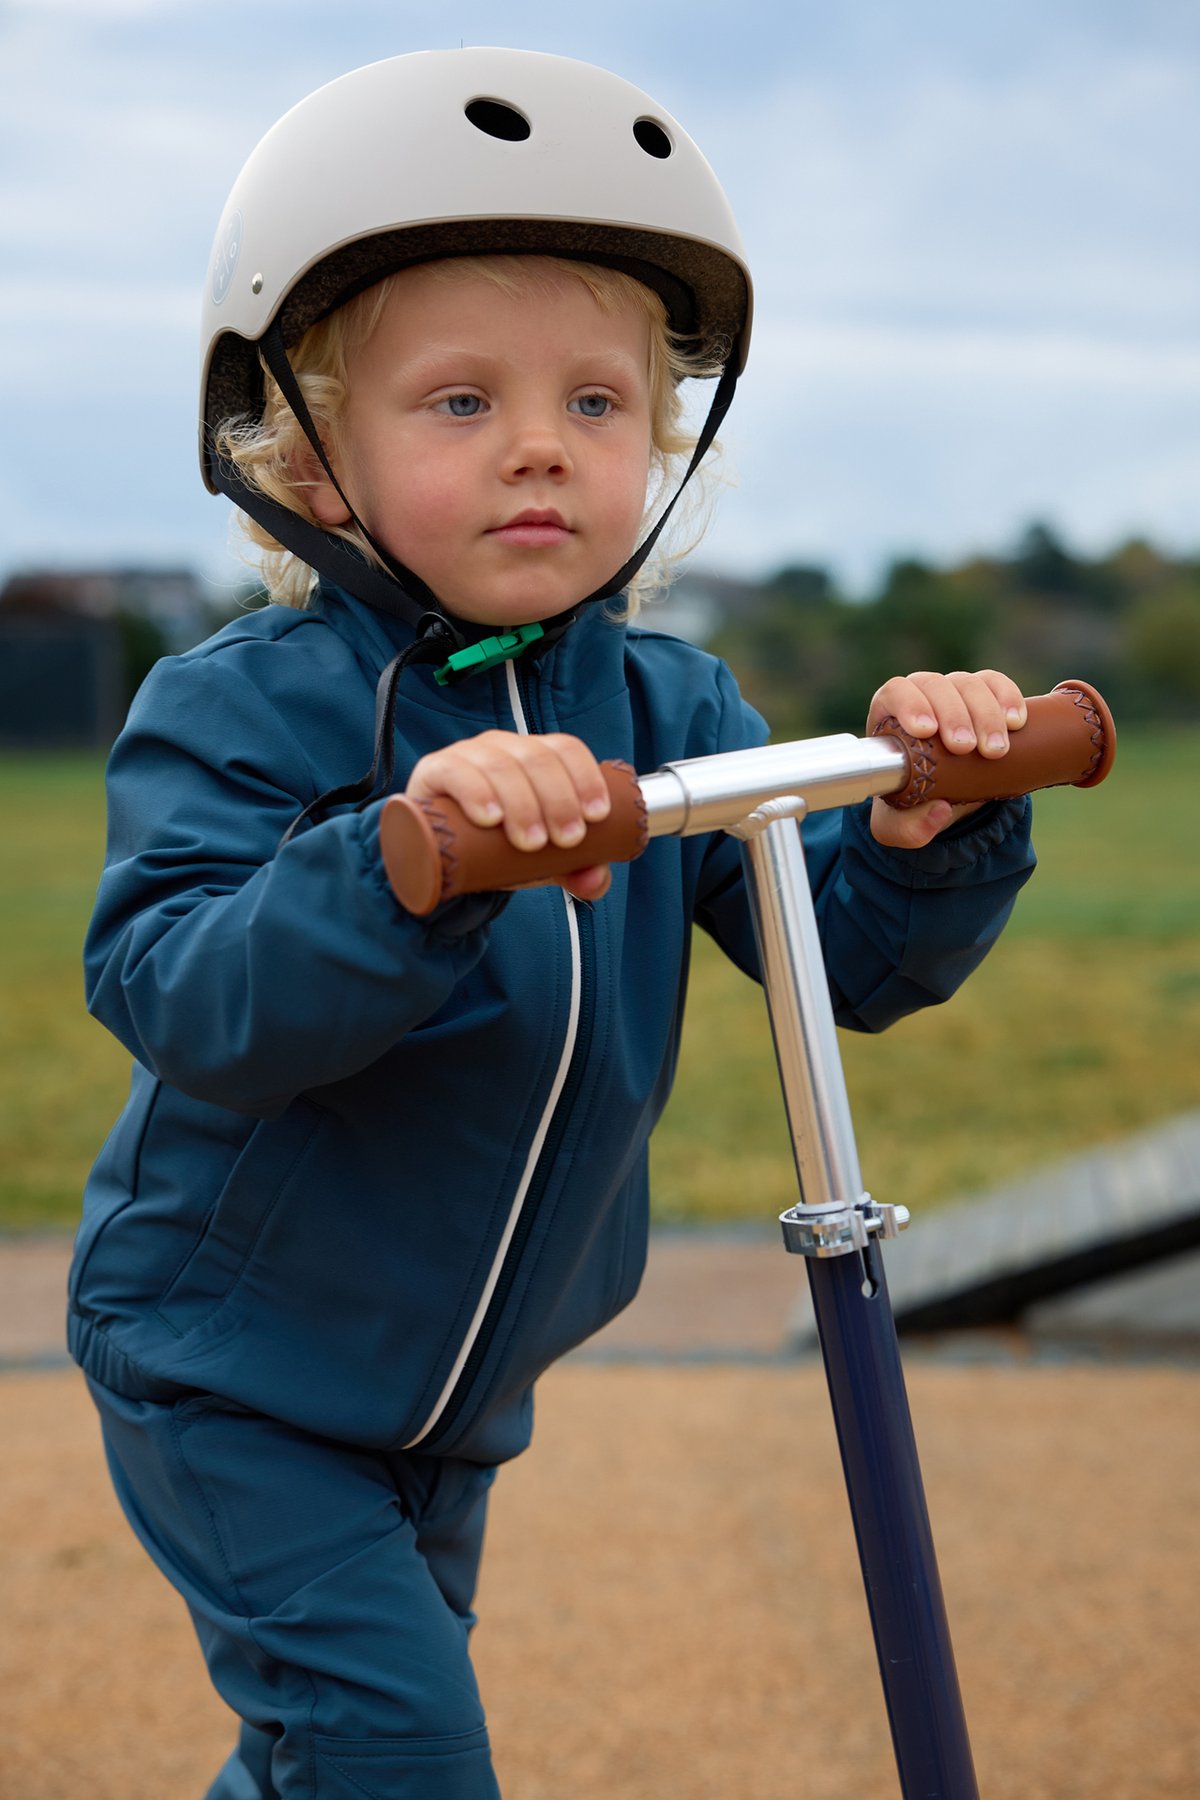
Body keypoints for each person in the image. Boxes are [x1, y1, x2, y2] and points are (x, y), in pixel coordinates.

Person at [69, 48, 1035, 1800]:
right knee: (396, 1751)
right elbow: (178, 991)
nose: (540, 445)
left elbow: (856, 967)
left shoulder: (678, 712)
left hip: (454, 1396)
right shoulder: (247, 710)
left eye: (599, 404)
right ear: (310, 450)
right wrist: (399, 862)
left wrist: (925, 819)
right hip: (235, 1370)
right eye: (459, 402)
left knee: (329, 1760)